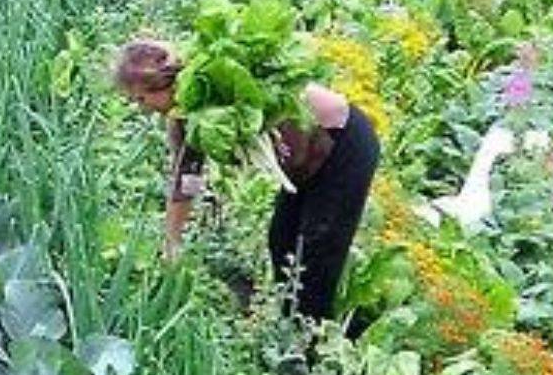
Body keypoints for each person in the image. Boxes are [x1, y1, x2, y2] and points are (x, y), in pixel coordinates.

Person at [115, 38, 381, 326]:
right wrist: (172, 245)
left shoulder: (217, 82)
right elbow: (186, 180)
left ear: (160, 83)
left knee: (315, 255)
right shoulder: (186, 115)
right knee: (281, 242)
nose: (142, 108)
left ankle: (315, 347)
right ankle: (292, 329)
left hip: (343, 145)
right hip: (306, 166)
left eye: (142, 98)